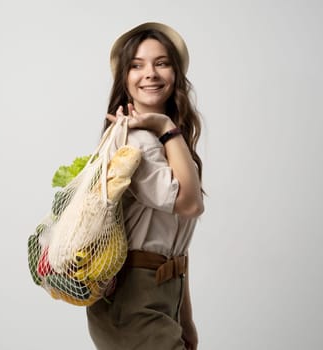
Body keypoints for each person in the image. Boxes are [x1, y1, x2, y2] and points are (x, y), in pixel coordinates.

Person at [86, 22, 205, 350]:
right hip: (134, 300)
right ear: (124, 79)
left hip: (162, 295)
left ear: (176, 73)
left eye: (161, 63)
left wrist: (185, 318)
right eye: (136, 65)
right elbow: (190, 205)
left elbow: (176, 245)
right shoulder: (136, 142)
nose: (149, 73)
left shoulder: (170, 142)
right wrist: (165, 124)